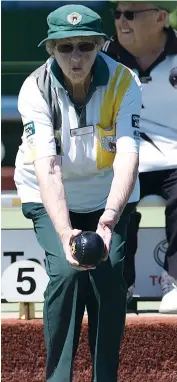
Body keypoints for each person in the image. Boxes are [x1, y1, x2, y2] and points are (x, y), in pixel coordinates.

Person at [14, 4, 142, 382]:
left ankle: (106, 377)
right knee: (67, 277)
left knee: (111, 272)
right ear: (50, 49)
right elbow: (48, 167)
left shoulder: (124, 82)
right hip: (48, 192)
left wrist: (108, 220)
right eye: (64, 47)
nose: (75, 56)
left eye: (85, 46)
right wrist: (66, 231)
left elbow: (128, 156)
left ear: (102, 45)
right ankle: (58, 378)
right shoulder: (35, 89)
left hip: (109, 194)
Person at [103, 1, 177, 313]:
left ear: (161, 17)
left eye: (131, 14)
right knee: (111, 199)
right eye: (117, 14)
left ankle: (174, 281)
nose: (122, 21)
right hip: (123, 158)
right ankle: (121, 286)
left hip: (175, 161)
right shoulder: (101, 56)